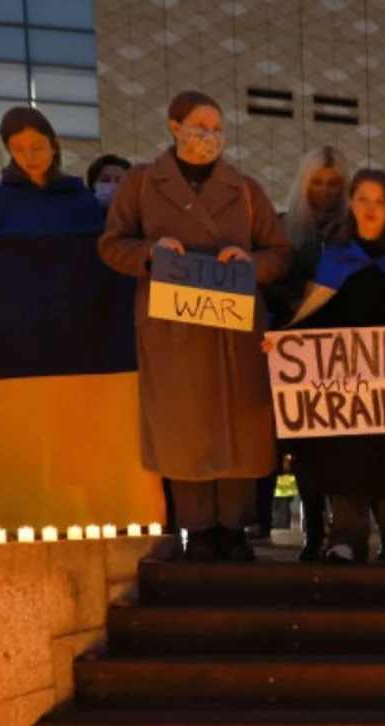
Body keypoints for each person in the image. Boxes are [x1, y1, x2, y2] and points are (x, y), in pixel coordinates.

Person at [98, 90, 291, 561]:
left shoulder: (245, 190)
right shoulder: (143, 183)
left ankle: (235, 526)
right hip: (173, 329)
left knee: (239, 425)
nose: (209, 136)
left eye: (216, 127)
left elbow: (279, 253)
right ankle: (198, 527)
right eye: (199, 125)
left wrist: (249, 262)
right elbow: (111, 245)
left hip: (234, 327)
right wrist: (150, 254)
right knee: (185, 426)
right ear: (174, 126)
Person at [275, 168, 385, 566]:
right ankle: (346, 536)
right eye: (363, 199)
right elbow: (314, 317)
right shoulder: (335, 258)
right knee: (344, 457)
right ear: (351, 203)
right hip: (346, 384)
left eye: (378, 201)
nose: (370, 208)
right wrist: (286, 342)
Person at [262, 146, 350, 557]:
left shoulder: (357, 229)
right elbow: (267, 281)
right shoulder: (285, 229)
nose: (326, 191)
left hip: (348, 352)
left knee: (345, 445)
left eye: (334, 184)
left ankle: (345, 530)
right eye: (318, 183)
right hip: (300, 354)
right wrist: (295, 303)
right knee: (306, 450)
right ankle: (315, 530)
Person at [0, 107, 103, 235]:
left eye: (37, 147)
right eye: (19, 150)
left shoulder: (84, 200)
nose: (29, 157)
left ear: (53, 146)